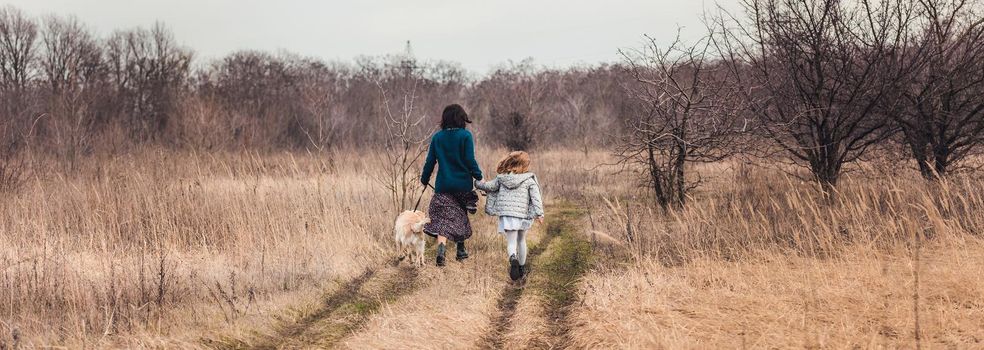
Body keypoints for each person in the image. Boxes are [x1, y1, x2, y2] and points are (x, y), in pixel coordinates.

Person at [420, 104, 483, 267]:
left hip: (443, 185)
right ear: (461, 118)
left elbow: (430, 162)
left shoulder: (437, 138)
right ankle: (460, 250)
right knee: (460, 216)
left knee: (443, 220)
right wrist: (479, 177)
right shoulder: (465, 136)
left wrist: (424, 179)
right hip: (463, 184)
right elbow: (470, 160)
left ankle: (441, 250)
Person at [474, 151, 545, 281]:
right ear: (524, 165)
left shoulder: (502, 178)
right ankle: (522, 269)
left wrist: (477, 183)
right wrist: (539, 213)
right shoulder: (529, 179)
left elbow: (488, 186)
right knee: (522, 240)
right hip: (523, 215)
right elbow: (536, 197)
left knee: (511, 242)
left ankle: (513, 258)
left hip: (508, 215)